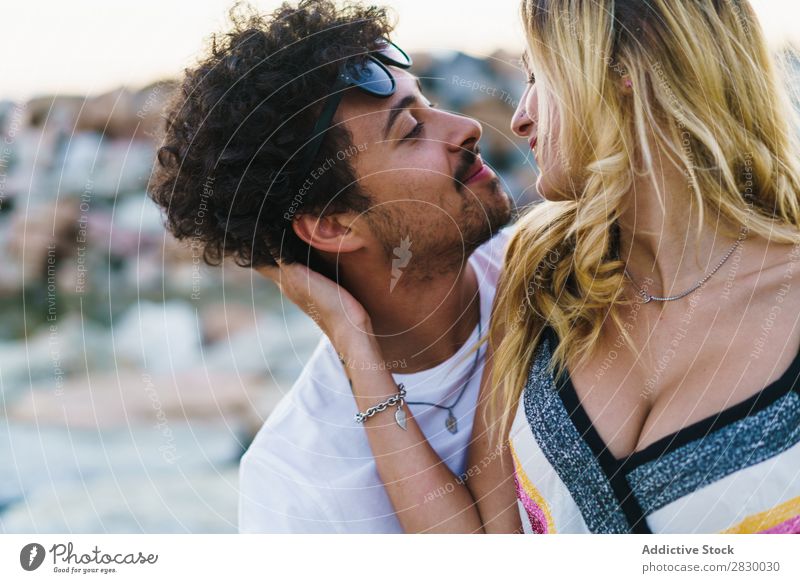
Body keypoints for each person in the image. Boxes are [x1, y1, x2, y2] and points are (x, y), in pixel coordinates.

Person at [269, 0, 800, 533]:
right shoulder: (543, 269)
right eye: (410, 130)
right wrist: (351, 338)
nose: (519, 116)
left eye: (539, 77)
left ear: (625, 74)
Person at [147, 0, 514, 533]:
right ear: (334, 226)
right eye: (410, 131)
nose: (466, 126)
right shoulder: (298, 485)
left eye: (428, 103)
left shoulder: (565, 272)